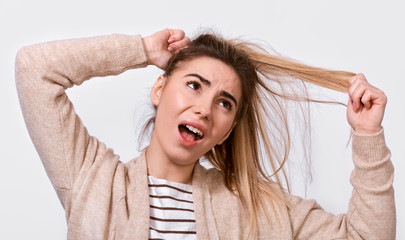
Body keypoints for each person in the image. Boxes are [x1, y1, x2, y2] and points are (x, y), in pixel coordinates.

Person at [15, 29, 395, 240]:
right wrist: (141, 50)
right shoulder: (93, 180)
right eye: (194, 85)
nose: (205, 108)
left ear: (226, 131)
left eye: (225, 102)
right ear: (160, 90)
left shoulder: (258, 208)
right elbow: (34, 70)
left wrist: (367, 136)